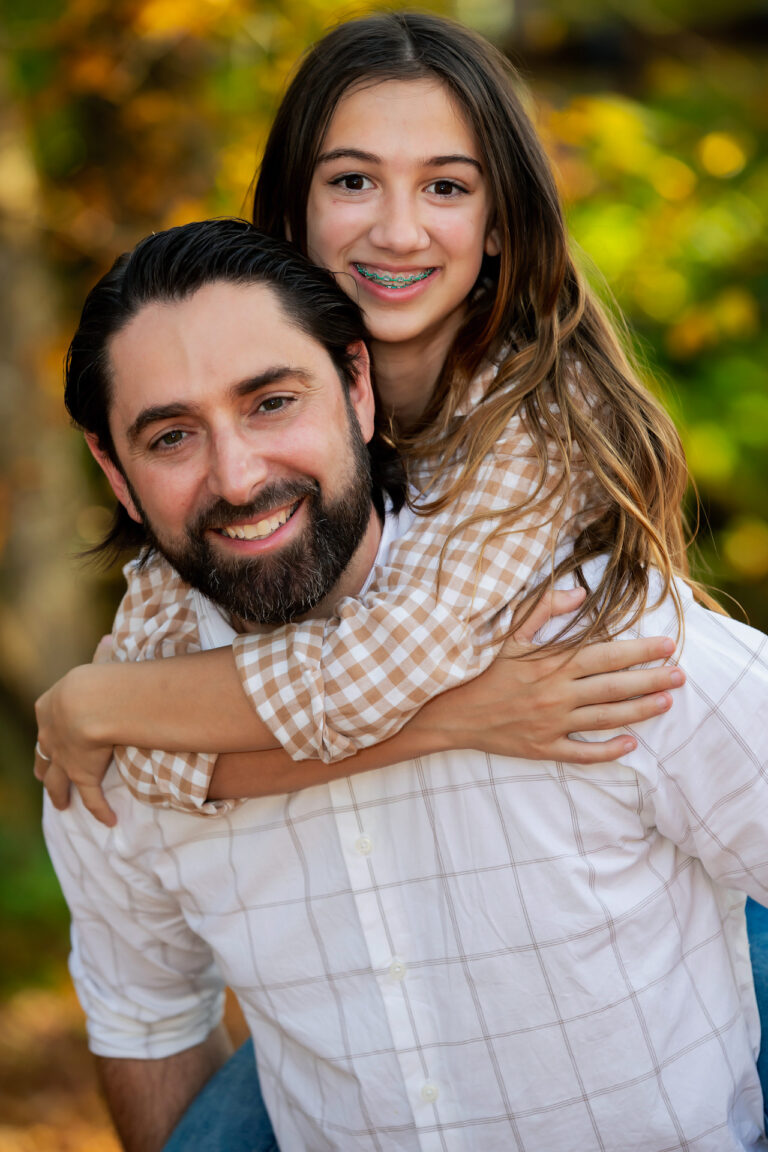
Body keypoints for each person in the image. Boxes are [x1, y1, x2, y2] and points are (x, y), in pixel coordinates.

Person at [43, 219, 768, 1152]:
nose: (238, 475)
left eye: (271, 402)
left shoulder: (601, 639)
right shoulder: (108, 742)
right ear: (115, 473)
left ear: (357, 386)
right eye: (172, 436)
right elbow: (146, 1020)